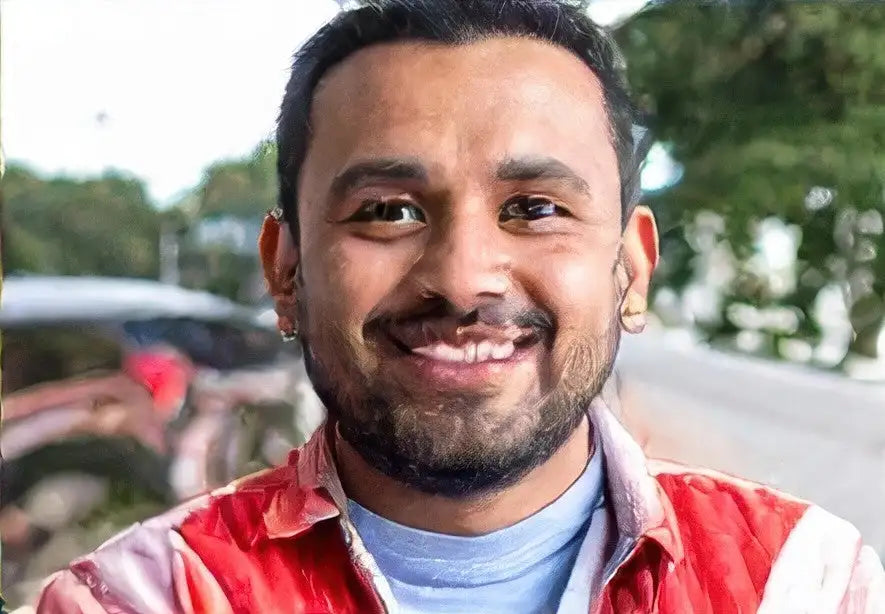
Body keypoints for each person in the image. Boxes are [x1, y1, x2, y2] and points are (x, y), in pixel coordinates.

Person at [36, 1, 884, 612]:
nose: (464, 276)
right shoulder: (151, 597)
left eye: (536, 209)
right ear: (286, 270)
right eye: (387, 211)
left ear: (630, 266)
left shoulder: (800, 582)